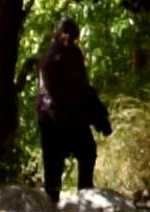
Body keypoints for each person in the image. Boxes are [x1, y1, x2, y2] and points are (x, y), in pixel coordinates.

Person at [30, 19, 108, 200]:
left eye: (71, 34)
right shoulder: (50, 59)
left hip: (73, 116)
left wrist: (98, 114)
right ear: (57, 34)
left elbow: (83, 87)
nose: (67, 37)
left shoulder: (75, 54)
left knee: (88, 151)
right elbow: (55, 92)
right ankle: (52, 201)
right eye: (64, 33)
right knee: (53, 164)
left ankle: (85, 193)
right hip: (52, 118)